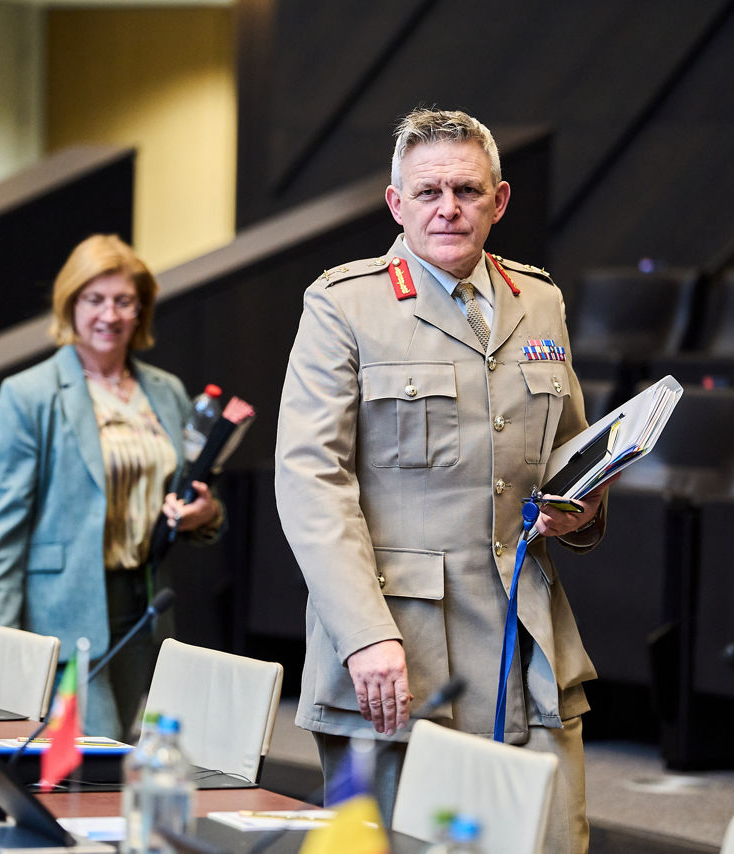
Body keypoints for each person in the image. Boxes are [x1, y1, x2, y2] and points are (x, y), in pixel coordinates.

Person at [274, 108, 610, 854]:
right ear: (396, 204)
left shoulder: (540, 300)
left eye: (466, 189)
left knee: (551, 841)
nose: (448, 207)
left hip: (529, 648)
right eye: (428, 192)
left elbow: (572, 455)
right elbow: (311, 483)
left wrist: (580, 509)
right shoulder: (344, 305)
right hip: (401, 651)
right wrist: (364, 637)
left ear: (500, 200)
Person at [0, 234, 224, 738]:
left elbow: (183, 489)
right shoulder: (29, 395)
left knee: (117, 748)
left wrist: (207, 515)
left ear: (141, 310)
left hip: (144, 605)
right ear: (71, 304)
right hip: (61, 611)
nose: (109, 314)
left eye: (123, 301)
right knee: (94, 751)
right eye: (94, 299)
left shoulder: (166, 391)